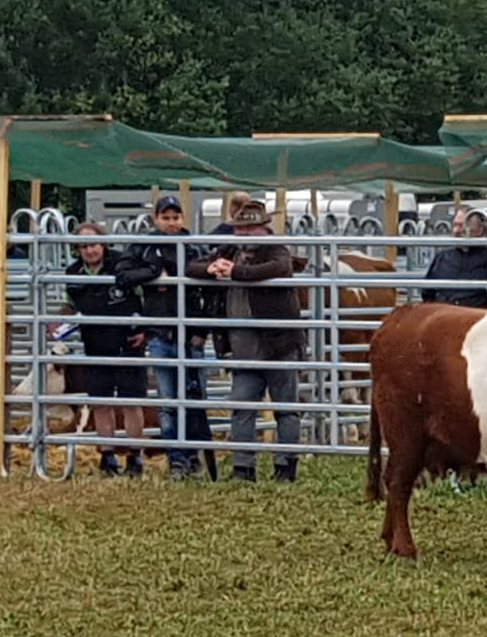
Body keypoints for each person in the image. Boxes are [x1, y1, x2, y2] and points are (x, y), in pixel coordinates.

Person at [185, 199, 307, 483]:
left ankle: (285, 468)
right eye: (240, 227)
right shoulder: (229, 249)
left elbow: (278, 267)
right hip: (244, 348)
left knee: (286, 409)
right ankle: (243, 468)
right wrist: (212, 268)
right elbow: (192, 267)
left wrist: (234, 272)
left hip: (279, 344)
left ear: (264, 227)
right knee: (241, 405)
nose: (244, 233)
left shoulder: (275, 248)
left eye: (250, 227)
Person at [120, 196, 216, 478]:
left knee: (194, 398)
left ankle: (192, 455)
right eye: (166, 218)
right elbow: (123, 275)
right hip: (160, 332)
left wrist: (202, 330)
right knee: (168, 400)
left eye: (175, 217)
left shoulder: (195, 246)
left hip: (191, 333)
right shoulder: (144, 246)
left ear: (182, 219)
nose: (171, 223)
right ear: (156, 219)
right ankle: (176, 458)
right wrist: (153, 274)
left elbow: (211, 291)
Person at [64, 222, 151, 477]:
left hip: (128, 341)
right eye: (83, 247)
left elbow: (144, 298)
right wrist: (57, 322)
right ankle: (108, 456)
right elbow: (68, 304)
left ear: (103, 243)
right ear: (77, 250)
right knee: (101, 402)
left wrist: (145, 329)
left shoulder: (122, 265)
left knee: (131, 401)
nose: (89, 251)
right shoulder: (73, 274)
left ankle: (135, 457)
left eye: (93, 244)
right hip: (95, 343)